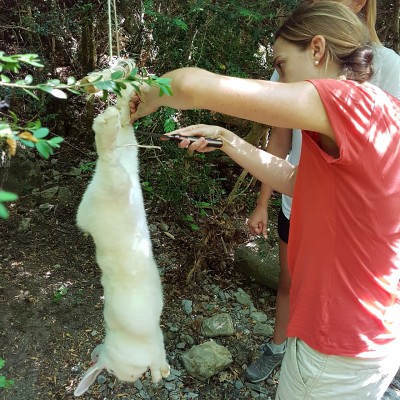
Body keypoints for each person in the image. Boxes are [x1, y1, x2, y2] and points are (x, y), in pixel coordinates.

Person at [130, 2, 400, 398]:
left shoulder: (345, 102)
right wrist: (226, 139)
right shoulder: (378, 111)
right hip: (365, 334)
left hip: (334, 343)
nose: (280, 76)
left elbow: (189, 86)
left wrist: (141, 96)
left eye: (283, 64)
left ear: (318, 50)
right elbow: (300, 180)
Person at [245, 0, 400, 384]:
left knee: (351, 295)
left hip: (354, 220)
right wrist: (262, 202)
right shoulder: (294, 57)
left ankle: (357, 365)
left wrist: (171, 89)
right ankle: (284, 347)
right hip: (298, 195)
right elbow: (279, 138)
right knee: (292, 281)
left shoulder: (388, 68)